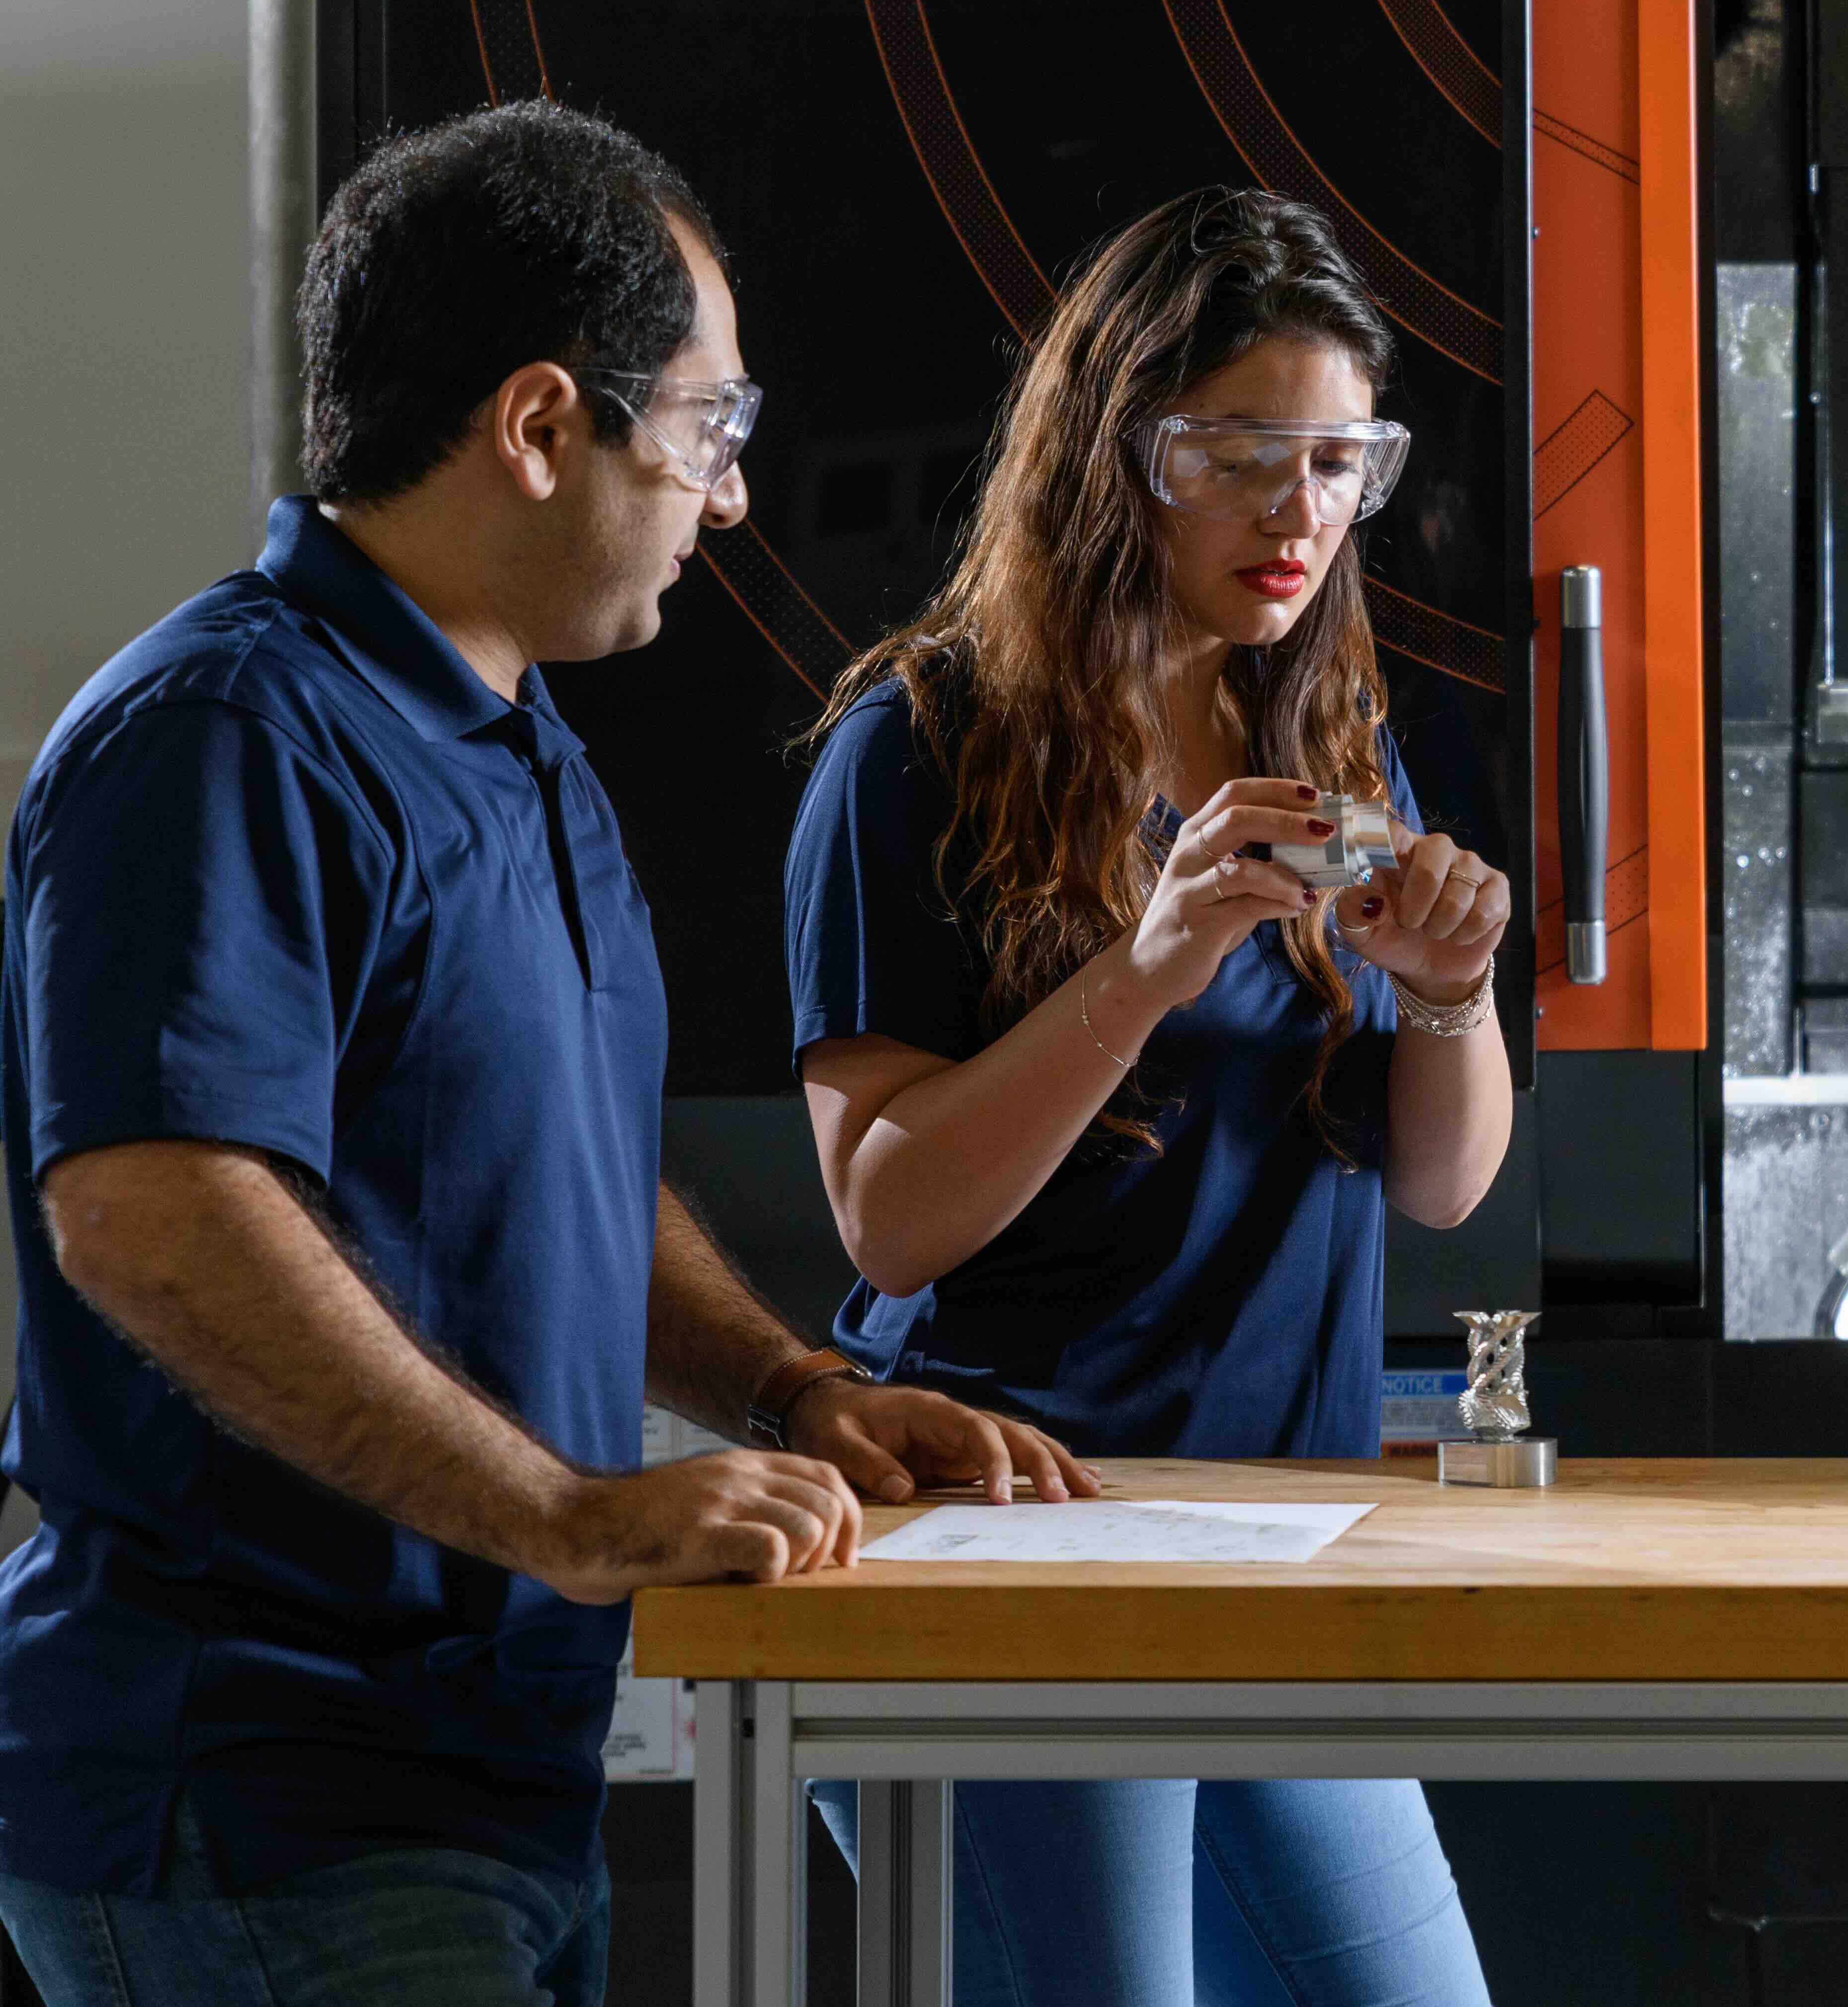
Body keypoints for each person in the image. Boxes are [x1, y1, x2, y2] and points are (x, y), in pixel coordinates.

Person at [0, 101, 1087, 2007]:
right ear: (534, 424)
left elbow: (564, 1174)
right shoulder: (226, 733)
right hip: (266, 1798)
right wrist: (565, 1515)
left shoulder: (513, 739)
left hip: (485, 1772)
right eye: (707, 428)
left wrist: (784, 1390)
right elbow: (152, 1212)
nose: (730, 495)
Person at [787, 188, 1507, 2005]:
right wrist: (1152, 961)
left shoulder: (1322, 731)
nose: (1301, 510)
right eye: (1243, 453)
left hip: (1276, 1532)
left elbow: (1441, 1187)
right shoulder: (916, 750)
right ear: (1118, 456)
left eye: (1340, 457)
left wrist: (1452, 995)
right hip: (1026, 1541)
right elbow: (887, 1212)